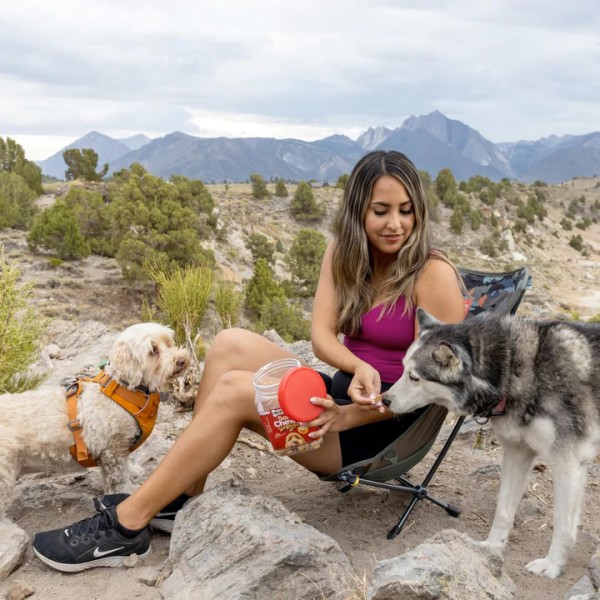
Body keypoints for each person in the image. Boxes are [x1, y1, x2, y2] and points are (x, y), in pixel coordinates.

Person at [32, 150, 465, 572]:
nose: (395, 224)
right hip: (337, 396)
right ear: (358, 213)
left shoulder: (433, 274)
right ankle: (185, 493)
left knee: (237, 391)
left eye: (406, 210)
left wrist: (347, 416)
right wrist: (357, 366)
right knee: (229, 344)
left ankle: (126, 526)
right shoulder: (346, 254)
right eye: (380, 211)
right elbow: (321, 335)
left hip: (372, 431)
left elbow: (435, 387)